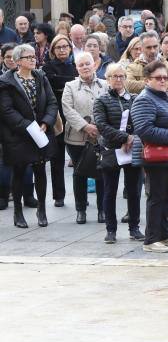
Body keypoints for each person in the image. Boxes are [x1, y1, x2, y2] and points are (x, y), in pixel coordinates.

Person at [130, 61, 168, 253]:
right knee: (156, 196)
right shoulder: (145, 99)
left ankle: (163, 233)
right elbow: (144, 129)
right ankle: (151, 239)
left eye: (166, 77)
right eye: (158, 78)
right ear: (148, 80)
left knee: (165, 196)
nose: (163, 81)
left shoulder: (165, 97)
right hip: (155, 156)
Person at [0, 43, 58, 228]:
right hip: (19, 134)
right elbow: (7, 110)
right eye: (29, 57)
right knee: (19, 172)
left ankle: (42, 210)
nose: (33, 59)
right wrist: (28, 126)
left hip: (40, 132)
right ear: (18, 61)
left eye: (34, 56)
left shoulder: (41, 77)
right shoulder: (7, 82)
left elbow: (51, 102)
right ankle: (18, 212)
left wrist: (45, 122)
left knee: (40, 171)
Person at [93, 63, 144, 243]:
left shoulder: (135, 99)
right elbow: (101, 125)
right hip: (111, 150)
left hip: (132, 150)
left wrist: (133, 139)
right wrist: (124, 138)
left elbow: (142, 121)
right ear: (107, 79)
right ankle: (111, 229)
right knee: (109, 191)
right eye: (114, 76)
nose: (118, 79)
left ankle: (134, 227)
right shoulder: (101, 100)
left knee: (134, 191)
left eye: (121, 76)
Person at [62, 52, 108, 224]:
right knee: (79, 173)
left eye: (87, 63)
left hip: (101, 137)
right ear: (77, 68)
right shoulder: (70, 86)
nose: (85, 67)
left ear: (94, 64)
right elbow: (67, 110)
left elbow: (110, 107)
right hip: (77, 138)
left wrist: (101, 127)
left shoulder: (105, 85)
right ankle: (80, 209)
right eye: (81, 65)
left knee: (101, 173)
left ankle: (102, 210)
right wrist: (85, 126)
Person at [42, 33, 76, 207]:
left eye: (65, 46)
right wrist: (69, 82)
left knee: (79, 158)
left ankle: (80, 194)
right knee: (57, 159)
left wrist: (61, 82)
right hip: (56, 117)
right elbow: (51, 86)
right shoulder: (47, 67)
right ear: (53, 50)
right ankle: (59, 195)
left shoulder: (75, 66)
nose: (62, 50)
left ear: (70, 48)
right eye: (59, 47)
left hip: (74, 117)